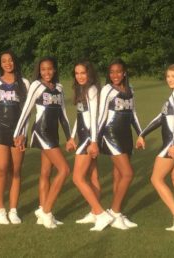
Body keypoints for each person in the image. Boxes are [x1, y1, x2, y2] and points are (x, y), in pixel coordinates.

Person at [13, 57, 70, 229]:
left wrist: (69, 137)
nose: (47, 72)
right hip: (41, 132)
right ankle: (47, 211)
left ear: (55, 70)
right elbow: (26, 110)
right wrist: (18, 133)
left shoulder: (59, 88)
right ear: (39, 71)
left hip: (53, 134)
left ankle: (41, 211)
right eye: (43, 69)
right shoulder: (36, 86)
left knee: (46, 172)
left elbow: (63, 115)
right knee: (64, 170)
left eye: (50, 69)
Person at [136, 64, 174, 233]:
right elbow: (160, 118)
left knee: (156, 179)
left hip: (171, 144)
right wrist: (142, 134)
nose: (170, 79)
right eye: (168, 76)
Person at [66, 60, 113, 231]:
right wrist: (72, 137)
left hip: (89, 138)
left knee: (77, 178)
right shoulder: (81, 89)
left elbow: (93, 117)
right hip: (85, 136)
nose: (79, 76)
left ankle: (101, 214)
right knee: (93, 177)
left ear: (90, 74)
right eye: (77, 73)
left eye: (83, 73)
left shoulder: (92, 90)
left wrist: (93, 142)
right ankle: (94, 212)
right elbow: (80, 116)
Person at [0, 50, 29, 224]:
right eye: (4, 61)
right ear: (0, 64)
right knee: (1, 167)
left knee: (15, 171)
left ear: (15, 62)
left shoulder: (24, 82)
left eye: (10, 60)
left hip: (17, 131)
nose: (8, 63)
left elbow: (27, 110)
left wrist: (23, 133)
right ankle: (0, 208)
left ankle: (13, 209)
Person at [97, 58, 141, 230]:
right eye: (112, 72)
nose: (115, 75)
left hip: (126, 135)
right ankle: (114, 212)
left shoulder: (131, 89)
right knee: (128, 174)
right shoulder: (107, 90)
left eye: (118, 71)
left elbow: (133, 114)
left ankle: (118, 212)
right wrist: (95, 140)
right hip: (111, 133)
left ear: (124, 73)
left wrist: (141, 134)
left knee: (119, 175)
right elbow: (101, 116)